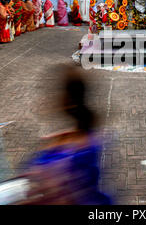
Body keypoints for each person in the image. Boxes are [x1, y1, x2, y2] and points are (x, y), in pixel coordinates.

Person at [19, 65, 112, 205]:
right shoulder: (85, 136)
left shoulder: (67, 155)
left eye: (56, 91)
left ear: (69, 100)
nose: (49, 97)